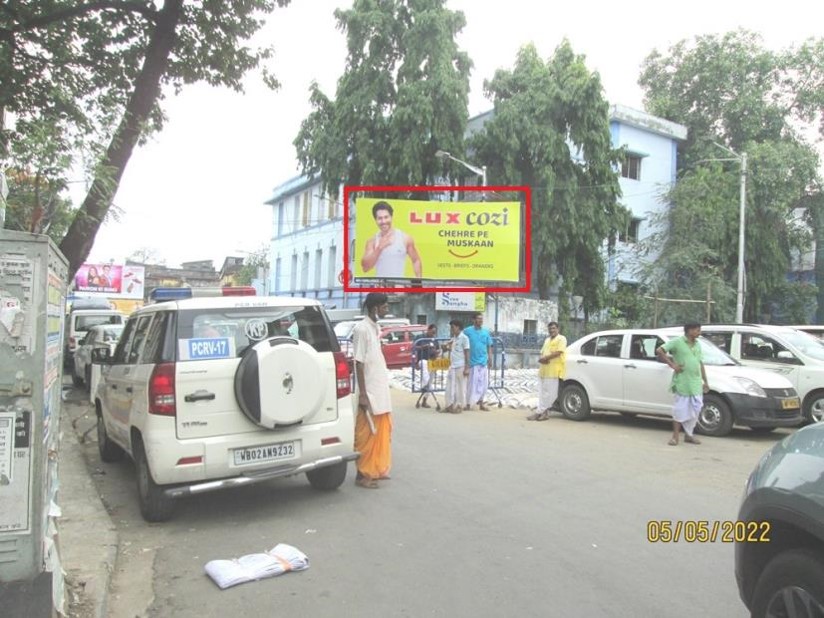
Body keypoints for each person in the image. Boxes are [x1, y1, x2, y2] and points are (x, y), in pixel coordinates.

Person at [351, 292, 394, 488]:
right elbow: (358, 363)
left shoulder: (375, 327)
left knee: (380, 431)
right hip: (368, 391)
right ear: (375, 308)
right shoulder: (361, 329)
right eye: (385, 307)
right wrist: (363, 395)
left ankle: (376, 468)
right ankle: (363, 475)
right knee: (367, 433)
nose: (387, 310)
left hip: (379, 390)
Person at [656, 322, 709, 446]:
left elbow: (700, 363)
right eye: (697, 330)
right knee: (680, 410)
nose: (699, 333)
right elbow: (660, 350)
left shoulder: (698, 345)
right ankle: (675, 437)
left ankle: (689, 435)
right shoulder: (677, 342)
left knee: (696, 409)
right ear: (689, 330)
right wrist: (673, 365)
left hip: (695, 382)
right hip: (683, 382)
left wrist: (705, 381)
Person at [360, 201, 422, 279]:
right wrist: (379, 248)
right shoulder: (372, 241)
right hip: (380, 289)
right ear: (375, 220)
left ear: (391, 217)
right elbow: (365, 267)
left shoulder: (404, 238)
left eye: (386, 217)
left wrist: (419, 282)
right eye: (380, 218)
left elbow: (416, 260)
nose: (383, 221)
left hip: (398, 288)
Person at [528, 321, 567, 421]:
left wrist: (546, 358)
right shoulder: (547, 340)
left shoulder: (561, 339)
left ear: (558, 329)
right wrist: (542, 358)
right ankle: (542, 413)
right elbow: (542, 352)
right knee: (541, 393)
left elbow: (559, 352)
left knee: (550, 394)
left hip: (553, 371)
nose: (552, 330)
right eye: (550, 329)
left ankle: (541, 412)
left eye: (554, 328)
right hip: (543, 370)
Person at [463, 312, 494, 411]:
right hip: (472, 362)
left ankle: (481, 403)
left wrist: (490, 358)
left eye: (482, 319)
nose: (481, 320)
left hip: (483, 362)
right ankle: (468, 404)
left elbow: (489, 345)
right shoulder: (467, 331)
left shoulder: (486, 332)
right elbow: (461, 340)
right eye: (478, 319)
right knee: (472, 385)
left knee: (483, 385)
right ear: (474, 320)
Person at [444, 319, 470, 414]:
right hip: (453, 366)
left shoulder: (464, 338)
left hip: (461, 366)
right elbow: (447, 348)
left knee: (461, 387)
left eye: (453, 327)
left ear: (458, 327)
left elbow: (467, 353)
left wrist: (467, 367)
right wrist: (446, 346)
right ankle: (449, 405)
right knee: (449, 386)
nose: (452, 329)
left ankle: (460, 406)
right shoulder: (453, 338)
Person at [414, 324, 439, 408]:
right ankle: (425, 386)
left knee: (430, 381)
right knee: (426, 378)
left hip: (432, 361)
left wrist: (436, 352)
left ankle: (424, 400)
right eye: (432, 332)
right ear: (428, 330)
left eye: (434, 333)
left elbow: (438, 349)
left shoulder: (434, 340)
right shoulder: (420, 337)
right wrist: (423, 347)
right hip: (422, 360)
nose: (433, 334)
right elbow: (414, 347)